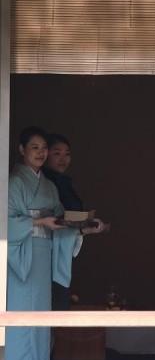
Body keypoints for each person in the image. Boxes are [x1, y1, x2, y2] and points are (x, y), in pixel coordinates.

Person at [7, 127, 81, 360]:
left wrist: (81, 227)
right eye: (34, 148)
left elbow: (60, 219)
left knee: (41, 321)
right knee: (21, 318)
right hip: (23, 257)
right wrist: (39, 222)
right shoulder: (14, 182)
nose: (41, 153)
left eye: (43, 148)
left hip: (43, 256)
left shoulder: (49, 186)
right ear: (21, 150)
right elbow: (6, 222)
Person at [42, 133, 106, 310]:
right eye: (57, 153)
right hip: (46, 249)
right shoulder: (46, 183)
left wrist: (85, 226)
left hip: (64, 244)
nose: (63, 159)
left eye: (67, 154)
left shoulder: (62, 182)